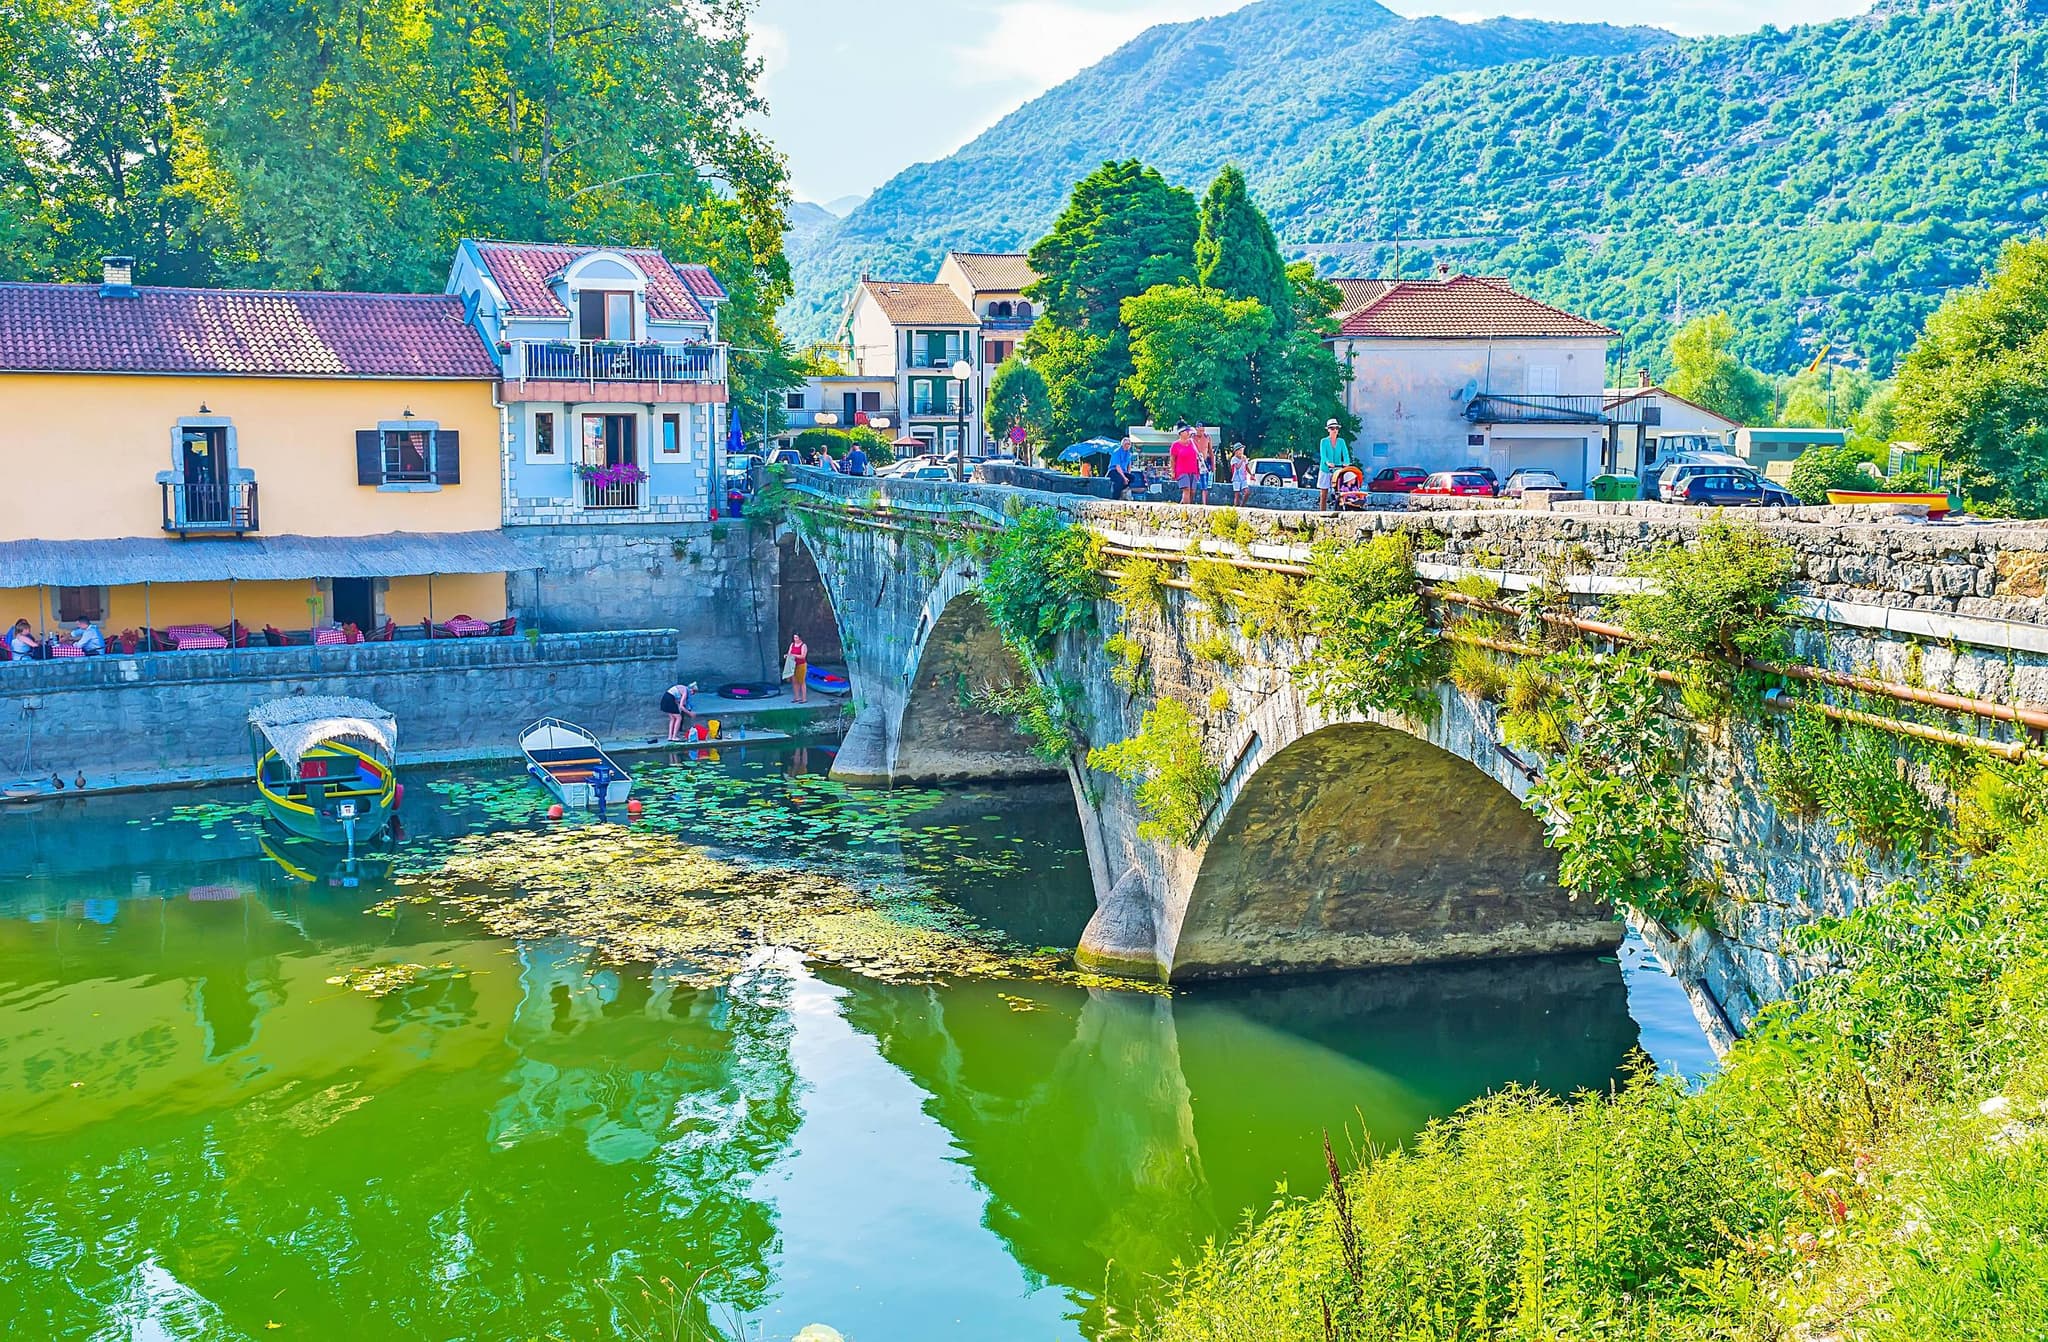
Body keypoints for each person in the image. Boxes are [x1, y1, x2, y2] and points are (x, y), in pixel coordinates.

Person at [1317, 419, 1352, 511]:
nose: (1335, 430)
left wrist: (1346, 463)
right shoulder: (1324, 441)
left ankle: (1338, 511)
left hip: (1337, 470)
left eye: (1336, 428)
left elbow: (1345, 454)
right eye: (1332, 428)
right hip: (1325, 469)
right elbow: (1323, 455)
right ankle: (1322, 513)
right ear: (1328, 430)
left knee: (1339, 492)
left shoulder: (1341, 441)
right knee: (1324, 494)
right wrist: (1327, 462)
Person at [1168, 426, 1202, 505]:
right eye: (1186, 431)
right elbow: (1172, 459)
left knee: (1192, 491)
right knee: (1186, 489)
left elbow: (1198, 455)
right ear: (1181, 433)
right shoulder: (1175, 445)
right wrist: (1173, 472)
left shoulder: (1193, 443)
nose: (1188, 433)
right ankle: (1187, 509)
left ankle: (1182, 507)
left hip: (1193, 470)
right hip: (1182, 471)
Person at [786, 633, 809, 704]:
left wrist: (793, 655)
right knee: (794, 682)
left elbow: (803, 656)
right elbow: (789, 653)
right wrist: (787, 656)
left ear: (800, 638)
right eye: (794, 637)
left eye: (796, 638)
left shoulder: (803, 645)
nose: (795, 639)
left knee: (801, 681)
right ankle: (797, 697)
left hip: (801, 665)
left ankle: (804, 698)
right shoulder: (792, 644)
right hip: (793, 665)